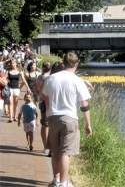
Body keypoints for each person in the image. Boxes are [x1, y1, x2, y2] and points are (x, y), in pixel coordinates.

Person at [43, 52, 92, 187]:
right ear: (76, 64)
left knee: (55, 151)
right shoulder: (78, 81)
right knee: (66, 152)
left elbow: (46, 99)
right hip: (70, 118)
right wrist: (88, 124)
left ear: (63, 64)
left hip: (53, 117)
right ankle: (64, 183)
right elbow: (84, 105)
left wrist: (48, 115)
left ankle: (56, 180)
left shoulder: (51, 79)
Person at [7, 58, 31, 123]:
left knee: (16, 103)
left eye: (14, 63)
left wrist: (28, 87)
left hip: (17, 89)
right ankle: (11, 118)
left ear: (16, 64)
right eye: (12, 63)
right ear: (11, 64)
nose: (13, 64)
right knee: (10, 103)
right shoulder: (9, 72)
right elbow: (6, 80)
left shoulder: (20, 71)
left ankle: (15, 117)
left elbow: (24, 80)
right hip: (10, 88)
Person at [35, 61, 51, 156]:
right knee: (46, 125)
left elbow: (36, 90)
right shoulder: (49, 78)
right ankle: (47, 147)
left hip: (42, 102)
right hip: (47, 103)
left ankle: (45, 146)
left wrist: (40, 97)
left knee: (44, 124)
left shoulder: (39, 77)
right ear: (50, 68)